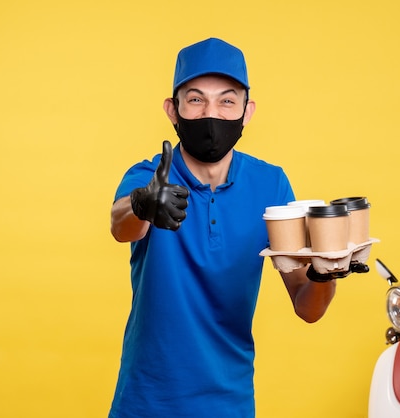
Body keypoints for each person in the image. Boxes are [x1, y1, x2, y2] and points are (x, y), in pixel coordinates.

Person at [108, 37, 368, 418]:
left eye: (227, 101)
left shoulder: (271, 185)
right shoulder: (150, 175)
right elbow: (120, 226)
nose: (211, 113)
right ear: (172, 110)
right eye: (196, 99)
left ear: (247, 112)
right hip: (146, 402)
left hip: (229, 403)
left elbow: (306, 307)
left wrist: (325, 271)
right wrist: (143, 203)